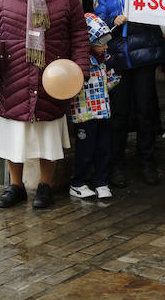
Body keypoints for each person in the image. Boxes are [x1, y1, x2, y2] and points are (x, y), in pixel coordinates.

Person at [0, 0, 90, 209]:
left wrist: (79, 70)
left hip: (52, 74)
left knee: (47, 132)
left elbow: (78, 32)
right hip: (13, 71)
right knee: (14, 134)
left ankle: (45, 186)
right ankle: (15, 186)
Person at [96, 0, 165, 186]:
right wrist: (113, 20)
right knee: (118, 114)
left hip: (143, 59)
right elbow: (99, 23)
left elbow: (160, 12)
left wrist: (139, 15)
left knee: (145, 111)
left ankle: (147, 161)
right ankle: (117, 164)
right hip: (118, 61)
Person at [69, 13, 120, 200]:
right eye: (101, 41)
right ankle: (78, 182)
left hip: (103, 111)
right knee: (85, 150)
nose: (105, 46)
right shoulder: (79, 62)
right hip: (85, 114)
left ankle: (101, 182)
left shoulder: (104, 58)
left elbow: (110, 80)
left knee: (104, 148)